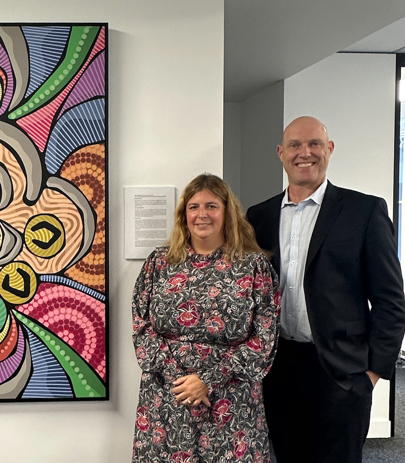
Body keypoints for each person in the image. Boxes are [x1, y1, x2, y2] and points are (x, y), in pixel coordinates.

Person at [246, 116, 405, 463]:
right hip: (279, 369)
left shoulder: (364, 210)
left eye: (315, 143)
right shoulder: (258, 217)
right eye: (295, 145)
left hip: (342, 372)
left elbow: (391, 301)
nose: (306, 153)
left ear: (329, 149)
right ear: (280, 153)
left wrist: (373, 374)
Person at [131, 173, 281, 463]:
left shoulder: (254, 266)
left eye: (211, 206)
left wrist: (208, 380)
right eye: (194, 206)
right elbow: (141, 327)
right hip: (167, 399)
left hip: (232, 402)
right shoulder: (159, 262)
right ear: (183, 214)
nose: (202, 214)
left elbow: (265, 341)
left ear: (227, 213)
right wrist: (181, 379)